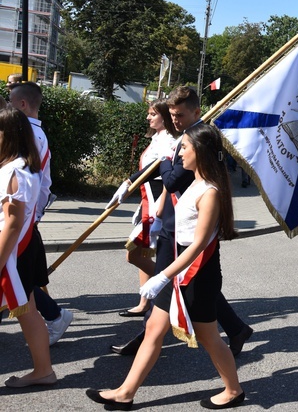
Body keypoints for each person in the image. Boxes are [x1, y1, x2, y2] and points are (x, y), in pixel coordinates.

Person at [86, 123, 244, 409]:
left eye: (184, 147)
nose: (178, 153)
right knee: (154, 330)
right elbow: (165, 184)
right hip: (177, 267)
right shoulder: (194, 181)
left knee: (210, 338)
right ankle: (125, 392)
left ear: (201, 152)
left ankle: (233, 390)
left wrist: (162, 275)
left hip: (198, 273)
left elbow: (197, 246)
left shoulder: (209, 191)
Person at [108, 87, 252, 358]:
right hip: (174, 221)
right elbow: (163, 169)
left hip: (184, 226)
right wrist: (131, 180)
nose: (174, 119)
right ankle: (234, 328)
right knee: (188, 287)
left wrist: (164, 164)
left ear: (196, 112)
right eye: (171, 114)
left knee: (186, 285)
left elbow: (172, 177)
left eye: (180, 114)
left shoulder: (198, 140)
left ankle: (150, 336)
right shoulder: (183, 136)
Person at [9, 82, 72, 346]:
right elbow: (44, 185)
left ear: (22, 105)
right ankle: (54, 316)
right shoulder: (37, 134)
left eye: (11, 103)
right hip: (26, 218)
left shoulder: (25, 135)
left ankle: (55, 316)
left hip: (18, 220)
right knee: (21, 279)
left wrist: (31, 218)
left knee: (18, 279)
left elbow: (25, 182)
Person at [0, 108, 57, 388]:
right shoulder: (24, 166)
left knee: (28, 311)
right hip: (20, 248)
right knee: (28, 311)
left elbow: (11, 224)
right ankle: (43, 370)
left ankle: (44, 370)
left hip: (11, 252)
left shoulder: (13, 171)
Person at [118, 101, 178, 317]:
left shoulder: (170, 140)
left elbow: (164, 176)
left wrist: (158, 207)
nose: (148, 118)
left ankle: (172, 286)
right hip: (147, 201)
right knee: (140, 252)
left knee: (133, 254)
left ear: (164, 116)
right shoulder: (157, 138)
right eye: (149, 113)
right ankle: (145, 302)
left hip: (157, 205)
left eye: (153, 114)